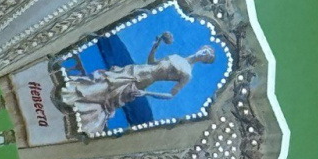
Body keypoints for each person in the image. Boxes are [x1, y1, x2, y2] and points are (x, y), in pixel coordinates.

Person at [57, 31, 215, 135]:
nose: (204, 53)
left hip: (143, 81)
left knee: (108, 92)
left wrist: (146, 93)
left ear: (204, 60)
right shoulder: (177, 57)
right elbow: (152, 62)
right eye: (205, 51)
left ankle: (76, 104)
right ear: (201, 48)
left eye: (207, 56)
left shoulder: (187, 73)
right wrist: (156, 45)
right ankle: (72, 96)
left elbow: (170, 95)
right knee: (105, 80)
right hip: (137, 69)